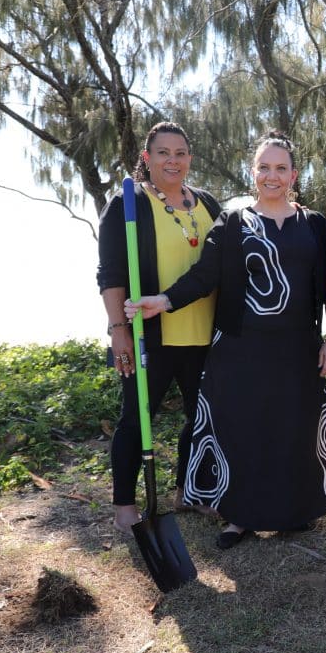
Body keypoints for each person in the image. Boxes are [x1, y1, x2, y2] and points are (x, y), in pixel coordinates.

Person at [125, 131, 326, 548]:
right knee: (242, 429)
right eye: (264, 167)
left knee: (292, 428)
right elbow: (206, 276)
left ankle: (293, 512)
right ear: (253, 172)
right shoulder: (232, 222)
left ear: (294, 174)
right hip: (240, 346)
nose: (272, 175)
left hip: (298, 346)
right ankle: (238, 517)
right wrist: (164, 300)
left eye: (281, 168)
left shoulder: (314, 225)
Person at [97, 121, 221, 534]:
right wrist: (118, 330)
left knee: (201, 417)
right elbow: (111, 273)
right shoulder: (127, 203)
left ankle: (191, 489)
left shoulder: (206, 203)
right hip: (151, 335)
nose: (173, 160)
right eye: (163, 153)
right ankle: (125, 505)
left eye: (181, 153)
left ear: (190, 157)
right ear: (146, 158)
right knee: (136, 416)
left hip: (205, 333)